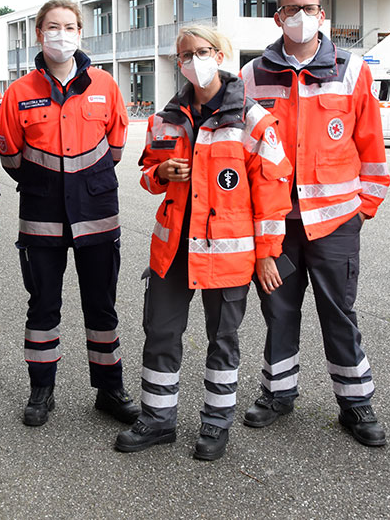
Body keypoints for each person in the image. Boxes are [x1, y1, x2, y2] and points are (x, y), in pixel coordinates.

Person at [115, 25, 291, 461]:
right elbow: (147, 175)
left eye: (204, 51)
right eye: (187, 55)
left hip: (227, 255)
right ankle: (158, 420)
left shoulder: (251, 119)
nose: (195, 60)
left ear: (221, 53)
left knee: (223, 338)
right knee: (160, 332)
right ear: (179, 64)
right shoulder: (165, 118)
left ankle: (216, 424)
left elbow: (273, 192)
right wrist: (160, 174)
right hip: (173, 250)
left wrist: (269, 254)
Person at [239, 0, 390, 447]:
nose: (300, 15)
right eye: (291, 8)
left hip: (335, 221)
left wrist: (365, 206)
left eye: (309, 7)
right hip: (277, 221)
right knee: (278, 311)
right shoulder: (252, 75)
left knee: (338, 312)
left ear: (322, 14)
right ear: (277, 17)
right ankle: (278, 393)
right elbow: (243, 152)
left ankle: (355, 403)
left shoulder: (351, 69)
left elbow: (371, 143)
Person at [0, 0, 138, 427]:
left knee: (103, 306)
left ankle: (110, 390)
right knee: (43, 306)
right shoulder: (19, 92)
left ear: (81, 33)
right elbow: (9, 155)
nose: (61, 34)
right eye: (53, 26)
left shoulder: (105, 86)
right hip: (41, 216)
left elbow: (115, 147)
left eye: (70, 26)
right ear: (39, 34)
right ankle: (42, 390)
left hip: (97, 213)